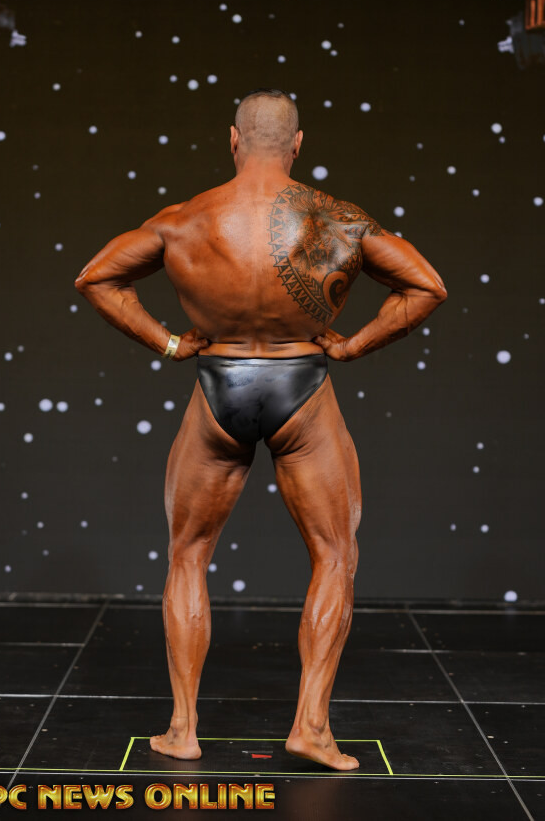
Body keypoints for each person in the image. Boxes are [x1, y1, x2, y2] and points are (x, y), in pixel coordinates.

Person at [74, 88, 447, 771]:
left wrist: (168, 343)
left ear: (233, 140)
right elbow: (427, 287)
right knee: (335, 555)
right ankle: (312, 729)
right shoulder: (337, 219)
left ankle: (182, 730)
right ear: (298, 145)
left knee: (188, 555)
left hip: (219, 386)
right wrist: (352, 346)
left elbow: (96, 278)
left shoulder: (183, 219)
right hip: (301, 386)